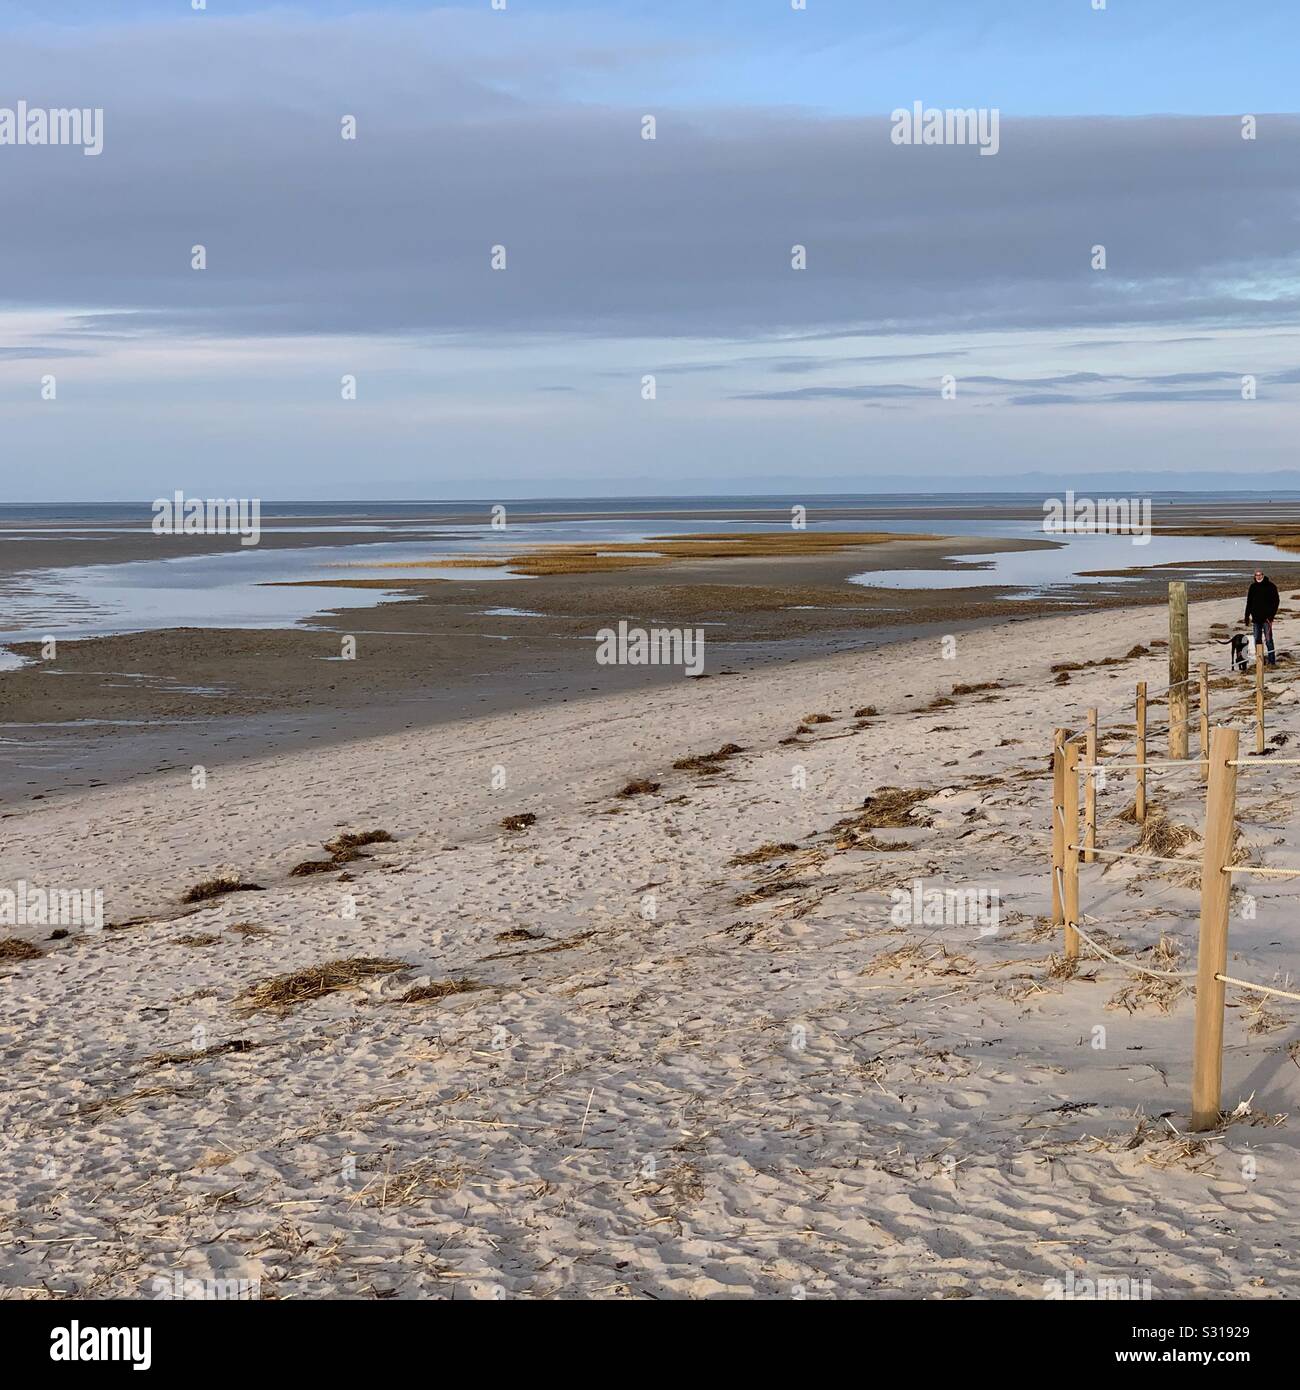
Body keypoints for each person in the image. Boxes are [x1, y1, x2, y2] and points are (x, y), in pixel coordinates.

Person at [1245, 569, 1279, 666]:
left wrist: (1271, 615)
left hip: (1267, 619)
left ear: (1263, 575)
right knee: (1257, 640)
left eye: (1260, 575)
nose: (1258, 576)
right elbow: (1249, 602)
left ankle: (1272, 661)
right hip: (1256, 619)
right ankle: (1260, 661)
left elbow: (1276, 601)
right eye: (1256, 575)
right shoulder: (1253, 587)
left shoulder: (1271, 586)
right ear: (1254, 576)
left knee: (1269, 640)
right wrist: (1247, 616)